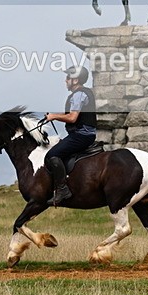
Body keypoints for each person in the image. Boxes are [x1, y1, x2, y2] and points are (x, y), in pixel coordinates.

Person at [43, 65, 96, 206]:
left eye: (68, 78)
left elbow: (72, 118)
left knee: (51, 156)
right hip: (82, 134)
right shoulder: (81, 93)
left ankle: (62, 190)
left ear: (75, 80)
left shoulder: (79, 95)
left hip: (81, 135)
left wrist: (54, 116)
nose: (65, 80)